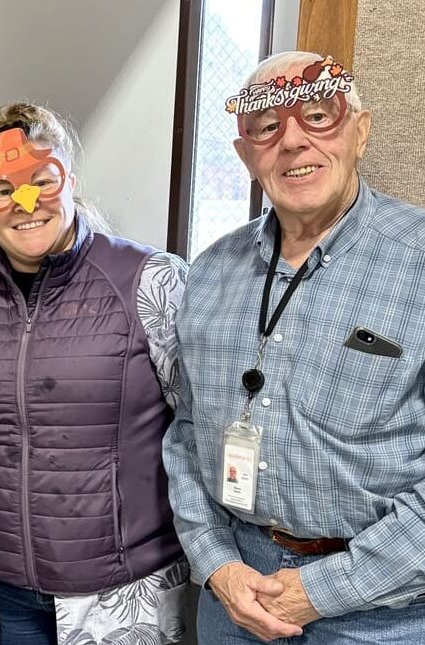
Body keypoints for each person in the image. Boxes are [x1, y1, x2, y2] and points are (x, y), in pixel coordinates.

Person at [163, 50, 425, 644]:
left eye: (318, 115)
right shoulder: (208, 274)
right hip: (235, 598)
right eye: (266, 128)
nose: (293, 142)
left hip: (384, 612)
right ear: (245, 154)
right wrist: (217, 565)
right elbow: (184, 433)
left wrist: (323, 589)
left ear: (360, 131)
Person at [0, 102, 190, 645]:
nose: (24, 203)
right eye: (3, 189)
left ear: (71, 182)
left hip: (120, 591)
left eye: (41, 180)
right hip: (1, 587)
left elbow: (199, 431)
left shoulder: (151, 283)